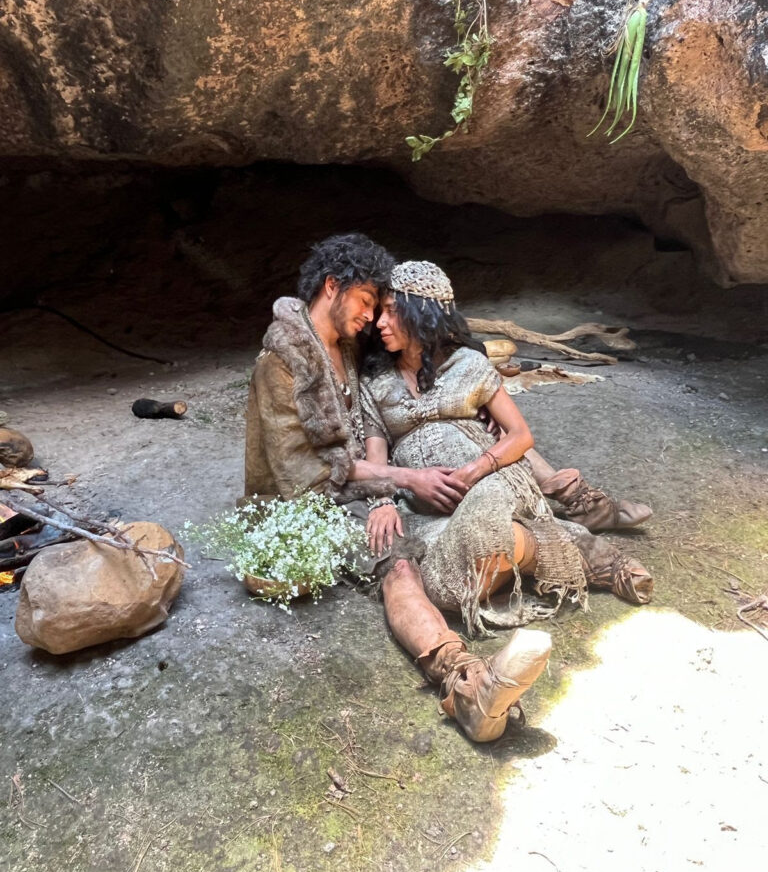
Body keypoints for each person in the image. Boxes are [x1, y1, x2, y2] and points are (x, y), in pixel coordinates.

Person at [244, 236, 651, 742]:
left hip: (375, 479)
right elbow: (304, 475)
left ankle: (573, 513)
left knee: (478, 486)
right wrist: (394, 486)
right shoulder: (281, 364)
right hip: (312, 500)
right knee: (396, 564)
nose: (373, 319)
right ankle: (467, 686)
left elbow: (430, 346)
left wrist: (470, 413)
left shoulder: (348, 340)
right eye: (368, 302)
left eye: (380, 307)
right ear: (333, 287)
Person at [357, 260, 654, 638]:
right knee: (442, 583)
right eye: (379, 313)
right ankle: (564, 545)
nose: (380, 322)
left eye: (391, 312)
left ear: (422, 315)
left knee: (487, 508)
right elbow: (376, 452)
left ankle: (604, 563)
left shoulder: (468, 363)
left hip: (490, 482)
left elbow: (520, 435)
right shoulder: (375, 380)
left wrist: (473, 471)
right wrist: (383, 501)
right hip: (424, 510)